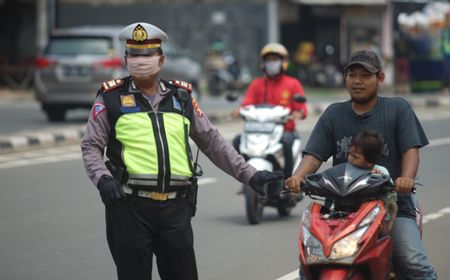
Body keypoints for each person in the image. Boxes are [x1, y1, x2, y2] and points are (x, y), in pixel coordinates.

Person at [80, 22, 283, 280]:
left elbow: (211, 141)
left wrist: (250, 175)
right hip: (129, 209)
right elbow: (90, 145)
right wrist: (103, 180)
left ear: (161, 59)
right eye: (134, 54)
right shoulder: (110, 97)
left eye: (148, 54)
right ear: (125, 59)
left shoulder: (181, 96)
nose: (141, 61)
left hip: (176, 209)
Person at [285, 49, 436, 279]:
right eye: (352, 75)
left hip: (391, 208)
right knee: (309, 266)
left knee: (412, 262)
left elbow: (410, 152)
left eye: (365, 75)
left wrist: (406, 179)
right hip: (340, 209)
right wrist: (298, 176)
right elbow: (313, 156)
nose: (357, 81)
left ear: (380, 78)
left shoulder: (397, 109)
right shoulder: (334, 114)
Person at [233, 42, 307, 179]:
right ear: (263, 63)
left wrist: (299, 112)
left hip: (285, 130)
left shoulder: (293, 84)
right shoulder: (256, 84)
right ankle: (245, 177)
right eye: (268, 60)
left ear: (283, 62)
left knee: (287, 142)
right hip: (260, 131)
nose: (271, 63)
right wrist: (240, 111)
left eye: (275, 60)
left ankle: (289, 181)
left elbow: (301, 108)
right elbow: (247, 103)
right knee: (237, 140)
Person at [348, 128, 397, 231]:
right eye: (349, 154)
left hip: (376, 216)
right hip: (351, 214)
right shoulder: (347, 171)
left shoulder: (380, 172)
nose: (350, 158)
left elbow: (391, 195)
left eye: (355, 157)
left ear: (370, 161)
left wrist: (380, 181)